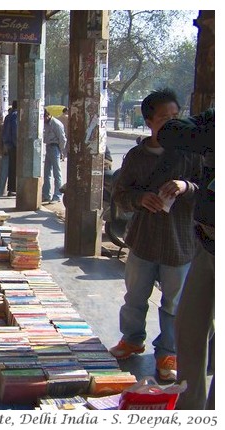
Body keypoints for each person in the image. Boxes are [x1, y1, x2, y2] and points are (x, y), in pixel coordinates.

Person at [109, 89, 202, 382]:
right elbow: (121, 196)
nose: (173, 123)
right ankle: (132, 339)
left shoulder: (192, 154)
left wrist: (186, 186)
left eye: (177, 117)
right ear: (149, 121)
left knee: (174, 304)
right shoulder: (137, 156)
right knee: (135, 296)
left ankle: (168, 352)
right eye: (165, 118)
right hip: (144, 241)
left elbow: (208, 190)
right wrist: (140, 199)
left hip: (180, 242)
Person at [158, 108, 215, 409]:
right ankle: (191, 408)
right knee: (189, 328)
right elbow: (171, 133)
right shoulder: (214, 120)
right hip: (208, 243)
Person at [42, 108, 67, 202]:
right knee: (47, 173)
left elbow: (62, 139)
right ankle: (46, 194)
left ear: (47, 115)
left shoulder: (56, 124)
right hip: (48, 147)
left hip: (55, 147)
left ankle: (57, 195)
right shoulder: (46, 124)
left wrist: (61, 152)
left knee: (57, 173)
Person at [1, 101, 18, 197]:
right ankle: (13, 189)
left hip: (8, 145)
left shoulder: (8, 116)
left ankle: (10, 189)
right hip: (14, 145)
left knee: (10, 168)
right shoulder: (16, 116)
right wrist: (17, 145)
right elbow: (15, 132)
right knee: (14, 169)